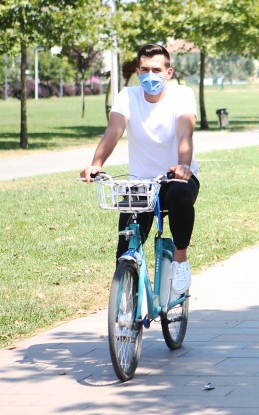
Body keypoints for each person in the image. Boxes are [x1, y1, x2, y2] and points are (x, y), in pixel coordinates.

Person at [80, 44, 199, 295]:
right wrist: (96, 164)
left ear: (168, 73)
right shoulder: (128, 96)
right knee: (126, 245)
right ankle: (126, 298)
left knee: (180, 197)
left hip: (176, 178)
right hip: (141, 184)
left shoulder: (182, 95)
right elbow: (113, 131)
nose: (150, 75)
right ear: (137, 72)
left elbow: (185, 134)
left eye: (156, 70)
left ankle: (180, 260)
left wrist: (183, 166)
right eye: (144, 70)